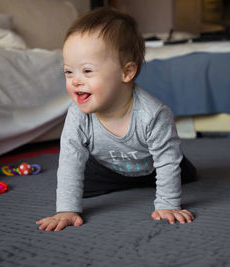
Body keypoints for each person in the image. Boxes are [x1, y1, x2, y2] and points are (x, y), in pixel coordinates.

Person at [36, 7, 197, 232]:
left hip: (152, 166)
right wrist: (67, 209)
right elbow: (70, 160)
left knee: (180, 171)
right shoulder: (78, 114)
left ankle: (175, 173)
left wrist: (168, 205)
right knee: (74, 185)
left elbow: (166, 162)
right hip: (106, 167)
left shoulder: (153, 115)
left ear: (127, 72)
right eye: (68, 72)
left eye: (87, 71)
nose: (75, 81)